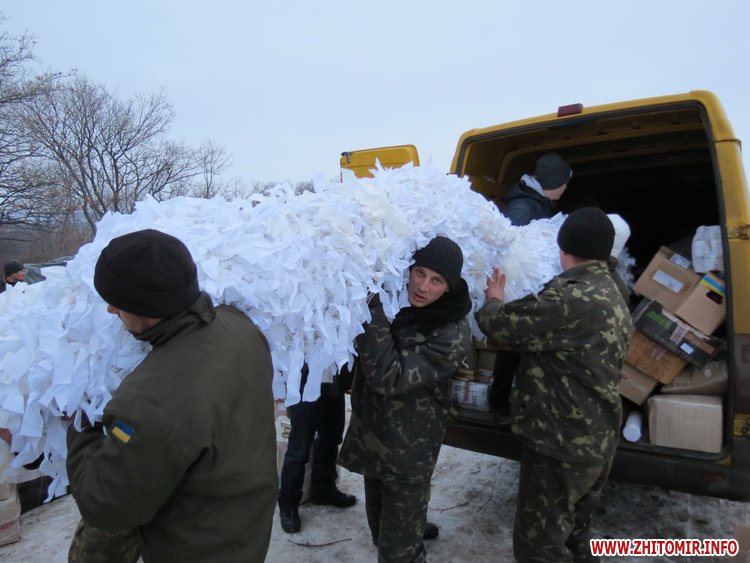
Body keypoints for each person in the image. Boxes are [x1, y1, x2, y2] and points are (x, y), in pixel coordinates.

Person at [66, 229, 278, 563]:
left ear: (143, 304)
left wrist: (80, 426)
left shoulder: (148, 404)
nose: (110, 309)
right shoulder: (241, 328)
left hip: (195, 548)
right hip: (245, 526)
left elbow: (105, 506)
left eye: (117, 301)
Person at [475, 207, 632, 562]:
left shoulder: (569, 298)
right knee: (576, 534)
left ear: (562, 250)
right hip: (598, 435)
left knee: (539, 545)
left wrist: (494, 298)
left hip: (561, 443)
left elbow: (498, 326)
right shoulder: (613, 287)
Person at [338, 235, 472, 562]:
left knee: (400, 552)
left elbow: (389, 376)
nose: (423, 286)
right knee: (380, 529)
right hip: (374, 436)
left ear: (449, 288)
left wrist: (370, 305)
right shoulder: (399, 302)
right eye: (420, 272)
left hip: (408, 450)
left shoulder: (451, 333)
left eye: (437, 280)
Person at [277, 364, 357, 534]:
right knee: (299, 447)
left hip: (333, 378)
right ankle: (288, 504)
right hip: (305, 380)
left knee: (331, 437)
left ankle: (324, 488)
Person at [501, 152, 572, 226]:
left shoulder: (540, 204)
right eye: (565, 183)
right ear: (555, 183)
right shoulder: (521, 209)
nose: (565, 187)